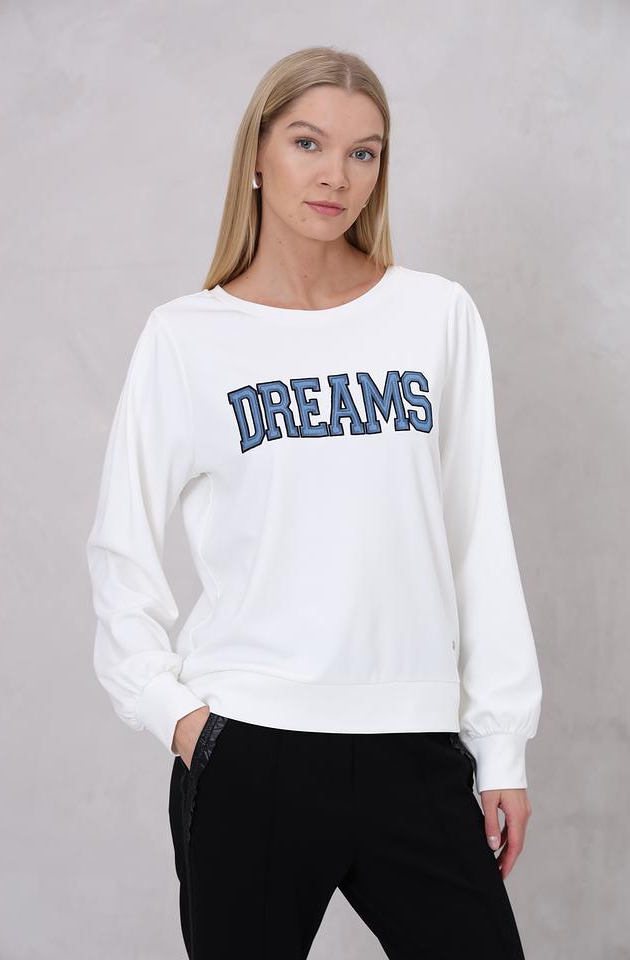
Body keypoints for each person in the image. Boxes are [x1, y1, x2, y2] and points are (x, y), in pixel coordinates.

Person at [85, 45, 542, 960]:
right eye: (308, 143)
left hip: (412, 742)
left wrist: (501, 746)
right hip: (249, 747)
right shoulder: (187, 338)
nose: (337, 175)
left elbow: (476, 535)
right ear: (257, 153)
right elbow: (119, 550)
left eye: (363, 152)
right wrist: (179, 718)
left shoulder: (435, 316)